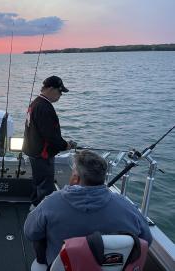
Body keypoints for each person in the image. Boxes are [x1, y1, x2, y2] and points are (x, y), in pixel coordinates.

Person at [24, 150, 153, 267]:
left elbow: (30, 232)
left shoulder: (51, 203)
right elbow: (147, 239)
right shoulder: (126, 207)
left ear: (75, 178)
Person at [23, 75, 76, 209]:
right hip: (43, 154)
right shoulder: (45, 107)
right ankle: (42, 214)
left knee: (38, 181)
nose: (60, 96)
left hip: (33, 151)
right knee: (46, 186)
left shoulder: (35, 103)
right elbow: (50, 135)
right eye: (60, 92)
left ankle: (34, 205)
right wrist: (65, 145)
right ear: (51, 89)